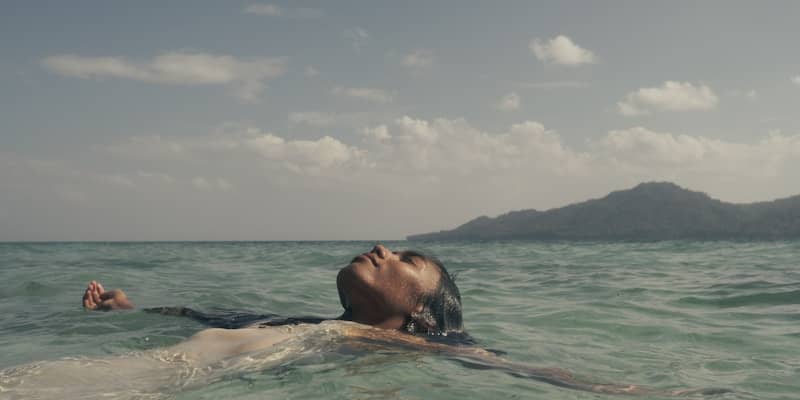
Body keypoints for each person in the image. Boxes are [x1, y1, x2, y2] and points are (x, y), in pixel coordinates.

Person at [6, 244, 725, 398]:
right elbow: (208, 312)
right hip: (191, 360)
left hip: (182, 375)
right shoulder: (299, 316)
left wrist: (632, 392)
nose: (382, 248)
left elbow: (517, 371)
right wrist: (124, 309)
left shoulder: (429, 342)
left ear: (421, 309)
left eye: (407, 258)